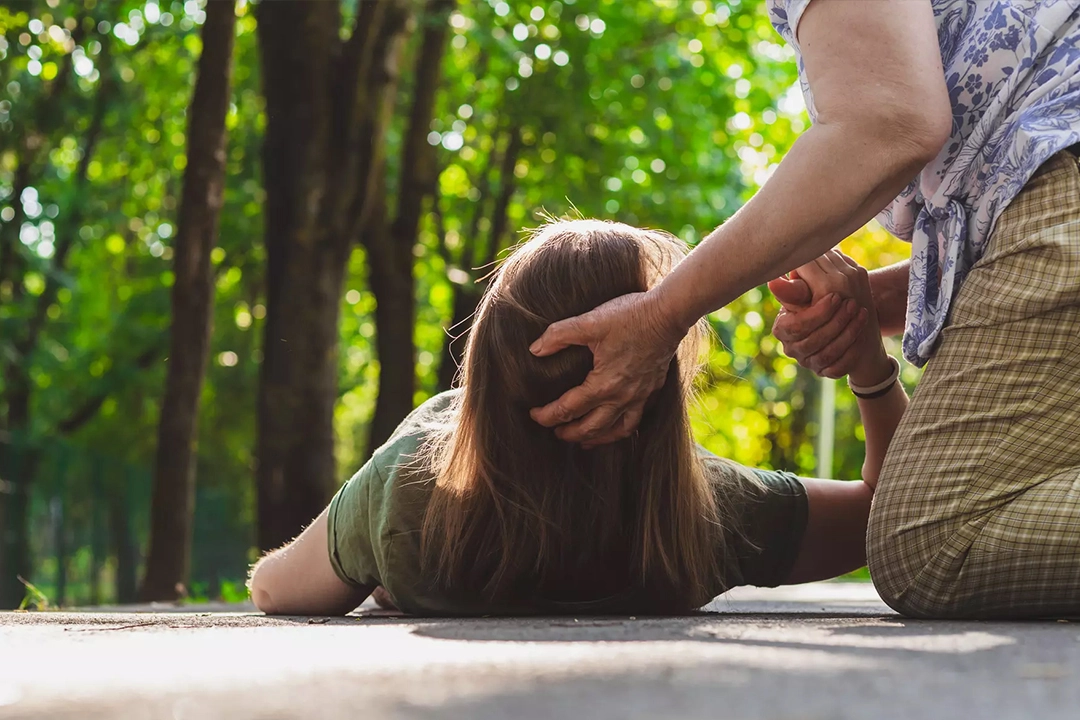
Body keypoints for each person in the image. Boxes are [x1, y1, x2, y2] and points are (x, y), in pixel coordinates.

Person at [526, 1, 1080, 619]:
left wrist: (662, 313)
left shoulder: (402, 500)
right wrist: (866, 315)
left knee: (931, 543)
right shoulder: (721, 511)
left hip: (1061, 165)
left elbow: (888, 122)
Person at [246, 220, 901, 616]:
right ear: (657, 383)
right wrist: (871, 367)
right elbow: (891, 513)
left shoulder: (411, 489)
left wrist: (382, 557)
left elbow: (273, 590)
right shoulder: (706, 514)